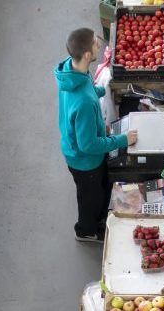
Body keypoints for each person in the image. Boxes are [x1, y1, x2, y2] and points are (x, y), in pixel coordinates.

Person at [56, 27, 138, 243]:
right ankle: (86, 231)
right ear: (86, 55)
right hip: (85, 161)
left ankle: (96, 219)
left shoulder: (71, 70)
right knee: (90, 199)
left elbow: (87, 89)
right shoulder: (83, 102)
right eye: (95, 44)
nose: (99, 45)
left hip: (77, 148)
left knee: (98, 190)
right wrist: (121, 139)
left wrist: (101, 90)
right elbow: (88, 145)